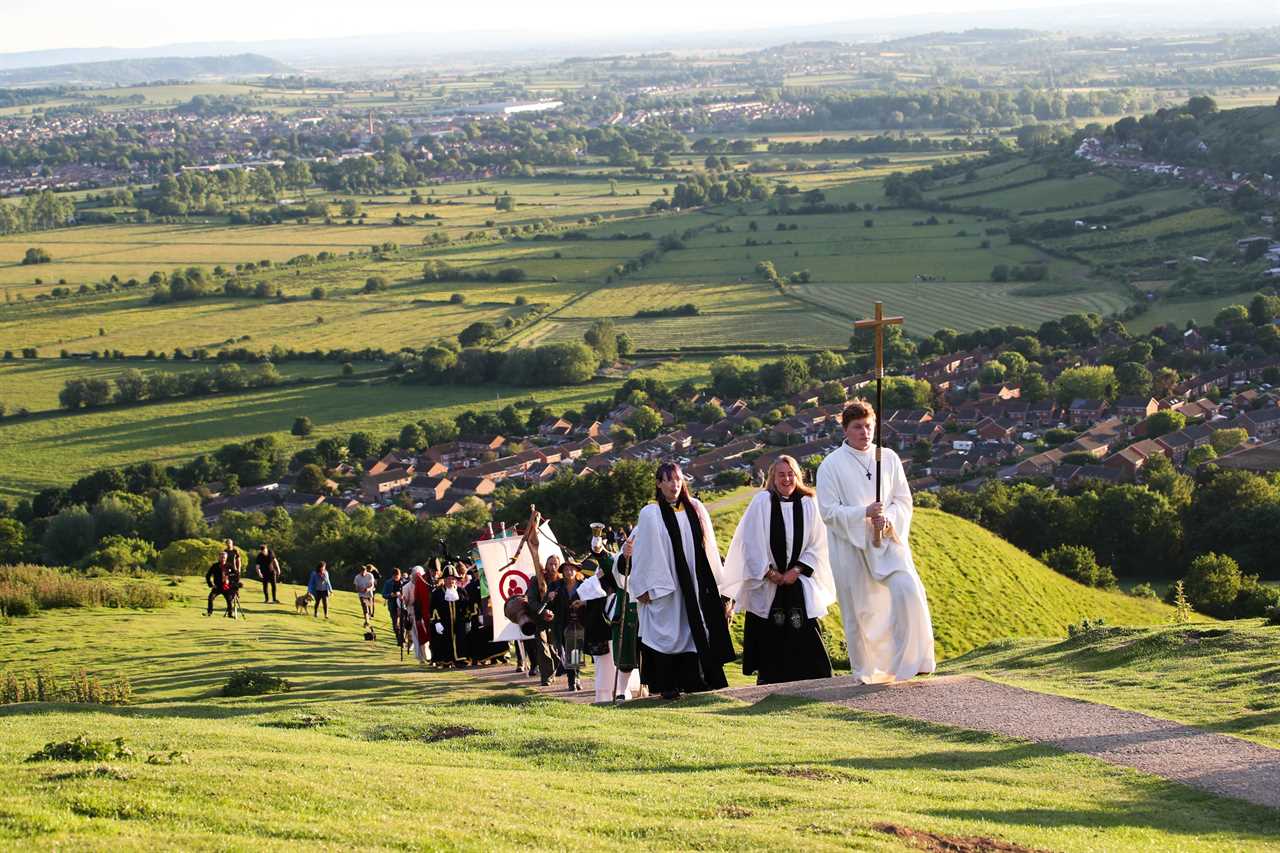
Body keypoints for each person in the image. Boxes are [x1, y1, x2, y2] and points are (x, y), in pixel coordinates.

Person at [816, 400, 936, 684]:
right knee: (863, 609)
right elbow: (829, 512)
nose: (865, 432)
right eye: (858, 427)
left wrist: (889, 519)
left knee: (908, 591)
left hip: (887, 543)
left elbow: (902, 500)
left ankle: (915, 661)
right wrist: (864, 514)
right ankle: (870, 669)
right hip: (851, 546)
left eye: (869, 426)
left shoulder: (889, 458)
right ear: (845, 429)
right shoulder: (831, 465)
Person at [721, 455, 837, 685]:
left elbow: (818, 542)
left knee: (804, 628)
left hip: (798, 579)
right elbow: (750, 542)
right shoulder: (762, 502)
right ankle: (771, 677)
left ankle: (815, 679)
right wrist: (770, 572)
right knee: (771, 631)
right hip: (768, 581)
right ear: (772, 477)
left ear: (798, 476)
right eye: (781, 474)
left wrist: (796, 570)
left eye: (791, 473)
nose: (786, 479)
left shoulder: (808, 503)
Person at [629, 460, 735, 700]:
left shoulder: (695, 508)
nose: (674, 484)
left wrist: (719, 586)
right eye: (668, 480)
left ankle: (699, 680)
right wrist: (643, 586)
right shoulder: (651, 513)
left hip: (696, 584)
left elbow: (709, 546)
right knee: (669, 632)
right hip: (668, 586)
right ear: (659, 484)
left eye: (677, 479)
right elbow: (644, 553)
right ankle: (668, 684)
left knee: (695, 631)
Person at [576, 527, 642, 702]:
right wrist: (598, 549)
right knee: (624, 655)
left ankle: (655, 686)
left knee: (651, 651)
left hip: (648, 610)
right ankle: (622, 690)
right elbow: (607, 561)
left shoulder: (649, 558)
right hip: (625, 614)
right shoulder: (618, 562)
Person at [548, 560, 586, 691]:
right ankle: (573, 680)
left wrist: (583, 603)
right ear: (562, 572)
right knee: (569, 652)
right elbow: (549, 606)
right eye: (566, 570)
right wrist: (550, 597)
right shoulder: (556, 586)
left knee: (575, 651)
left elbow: (591, 601)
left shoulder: (583, 585)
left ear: (576, 571)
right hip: (563, 623)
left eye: (572, 569)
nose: (569, 572)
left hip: (579, 622)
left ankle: (575, 679)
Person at [428, 565, 470, 667]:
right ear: (444, 580)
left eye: (453, 579)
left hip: (459, 623)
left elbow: (466, 607)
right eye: (448, 579)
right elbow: (433, 609)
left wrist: (468, 620)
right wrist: (437, 622)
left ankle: (459, 660)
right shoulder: (437, 593)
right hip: (444, 623)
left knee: (460, 640)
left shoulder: (461, 592)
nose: (451, 581)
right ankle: (446, 661)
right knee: (445, 641)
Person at [401, 565, 432, 664]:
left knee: (426, 635)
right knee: (417, 636)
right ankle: (420, 657)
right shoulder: (407, 587)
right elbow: (404, 603)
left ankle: (428, 655)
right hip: (413, 613)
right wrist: (403, 601)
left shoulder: (425, 584)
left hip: (425, 612)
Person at [383, 568, 406, 647]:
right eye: (395, 576)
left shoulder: (404, 582)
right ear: (392, 576)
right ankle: (398, 638)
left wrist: (403, 596)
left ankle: (402, 638)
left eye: (398, 576)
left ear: (400, 575)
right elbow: (384, 594)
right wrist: (390, 595)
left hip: (402, 605)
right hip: (392, 605)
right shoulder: (388, 583)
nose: (396, 578)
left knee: (403, 623)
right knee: (395, 624)